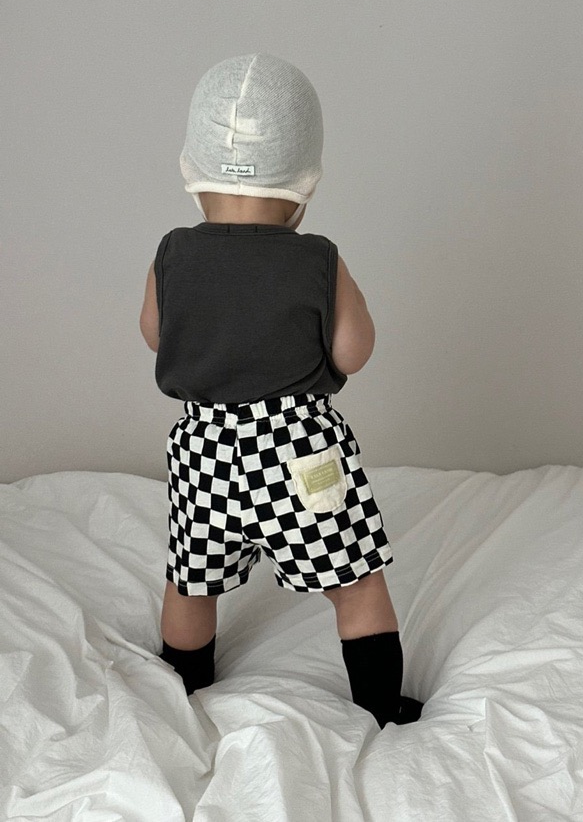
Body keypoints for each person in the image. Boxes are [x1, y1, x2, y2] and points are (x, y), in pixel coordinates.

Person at [139, 52, 423, 728]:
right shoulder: (317, 258)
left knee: (191, 579)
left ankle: (183, 689)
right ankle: (381, 705)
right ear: (306, 182)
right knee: (355, 581)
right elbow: (354, 350)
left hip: (204, 447)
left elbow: (154, 334)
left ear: (191, 169)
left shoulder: (172, 253)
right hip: (298, 449)